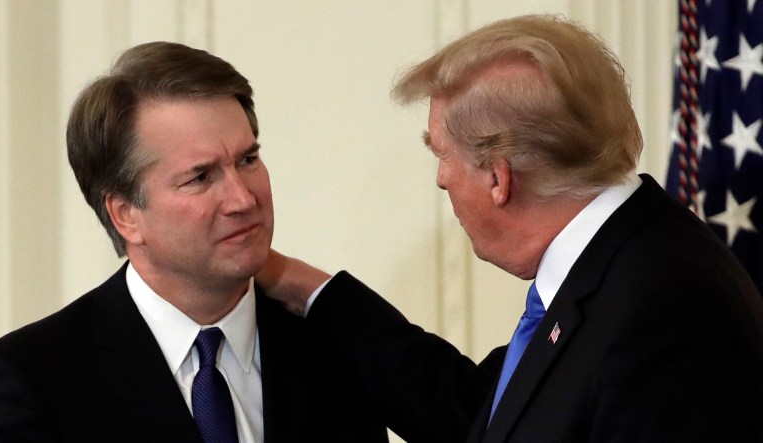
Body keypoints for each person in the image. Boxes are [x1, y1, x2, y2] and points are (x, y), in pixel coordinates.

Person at [257, 14, 763, 442]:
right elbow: (488, 413)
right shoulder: (619, 258)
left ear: (499, 178)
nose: (440, 179)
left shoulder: (661, 307)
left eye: (440, 154)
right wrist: (305, 287)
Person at [0, 42, 388, 443]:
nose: (243, 199)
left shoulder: (332, 347)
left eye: (247, 160)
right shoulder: (33, 378)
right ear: (126, 214)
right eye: (199, 177)